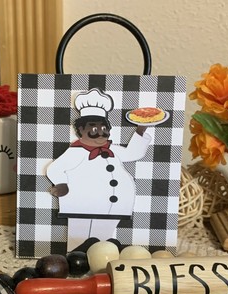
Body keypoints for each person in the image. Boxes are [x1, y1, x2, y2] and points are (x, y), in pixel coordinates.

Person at [46, 88, 152, 251]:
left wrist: (140, 130)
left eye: (104, 130)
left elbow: (133, 153)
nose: (100, 134)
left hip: (113, 205)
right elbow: (55, 168)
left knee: (104, 236)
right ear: (81, 130)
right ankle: (76, 256)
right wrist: (61, 184)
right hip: (81, 203)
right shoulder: (76, 151)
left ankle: (104, 255)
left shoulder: (112, 149)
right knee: (78, 235)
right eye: (94, 130)